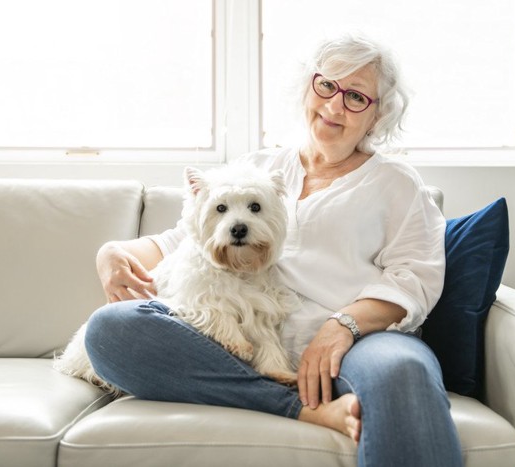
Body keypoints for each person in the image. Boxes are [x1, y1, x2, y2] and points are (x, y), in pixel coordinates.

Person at [85, 33, 463, 467]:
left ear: (377, 115)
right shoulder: (260, 166)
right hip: (247, 345)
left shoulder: (396, 183)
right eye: (327, 85)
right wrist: (113, 251)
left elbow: (415, 278)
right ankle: (299, 407)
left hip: (359, 342)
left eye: (356, 96)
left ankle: (305, 391)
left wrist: (342, 326)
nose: (335, 105)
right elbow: (188, 239)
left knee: (404, 372)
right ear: (309, 87)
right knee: (110, 329)